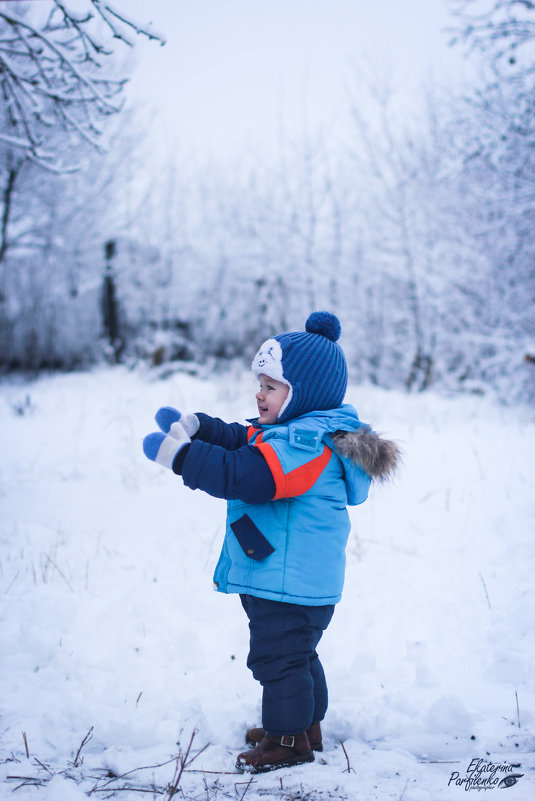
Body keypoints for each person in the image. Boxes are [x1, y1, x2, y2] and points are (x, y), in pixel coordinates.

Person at [142, 311, 400, 774]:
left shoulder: (303, 447)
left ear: (302, 394)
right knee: (296, 654)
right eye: (260, 383)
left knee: (277, 659)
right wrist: (201, 427)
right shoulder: (298, 433)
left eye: (271, 386)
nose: (259, 394)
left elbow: (249, 474)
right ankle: (306, 726)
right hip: (294, 578)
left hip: (288, 580)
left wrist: (182, 457)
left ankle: (287, 740)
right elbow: (245, 438)